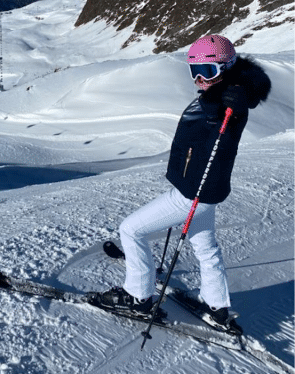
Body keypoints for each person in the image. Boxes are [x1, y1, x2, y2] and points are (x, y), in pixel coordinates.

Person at [94, 35, 271, 329]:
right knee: (205, 246)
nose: (200, 79)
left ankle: (138, 298)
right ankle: (216, 307)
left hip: (194, 193)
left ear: (226, 69)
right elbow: (233, 92)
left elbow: (228, 112)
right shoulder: (221, 94)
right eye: (195, 72)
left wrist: (236, 99)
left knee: (132, 229)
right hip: (203, 190)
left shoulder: (228, 105)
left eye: (209, 72)